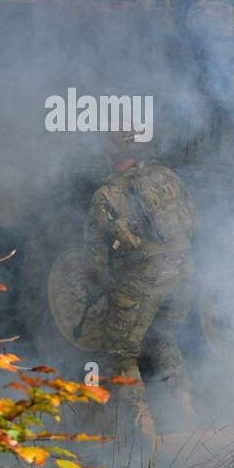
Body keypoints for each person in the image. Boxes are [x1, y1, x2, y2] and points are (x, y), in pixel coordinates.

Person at [84, 132, 197, 448]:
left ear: (110, 155)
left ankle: (144, 430)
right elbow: (194, 222)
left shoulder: (107, 195)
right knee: (163, 337)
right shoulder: (167, 177)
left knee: (121, 351)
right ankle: (187, 409)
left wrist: (103, 290)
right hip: (183, 273)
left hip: (142, 280)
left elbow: (95, 257)